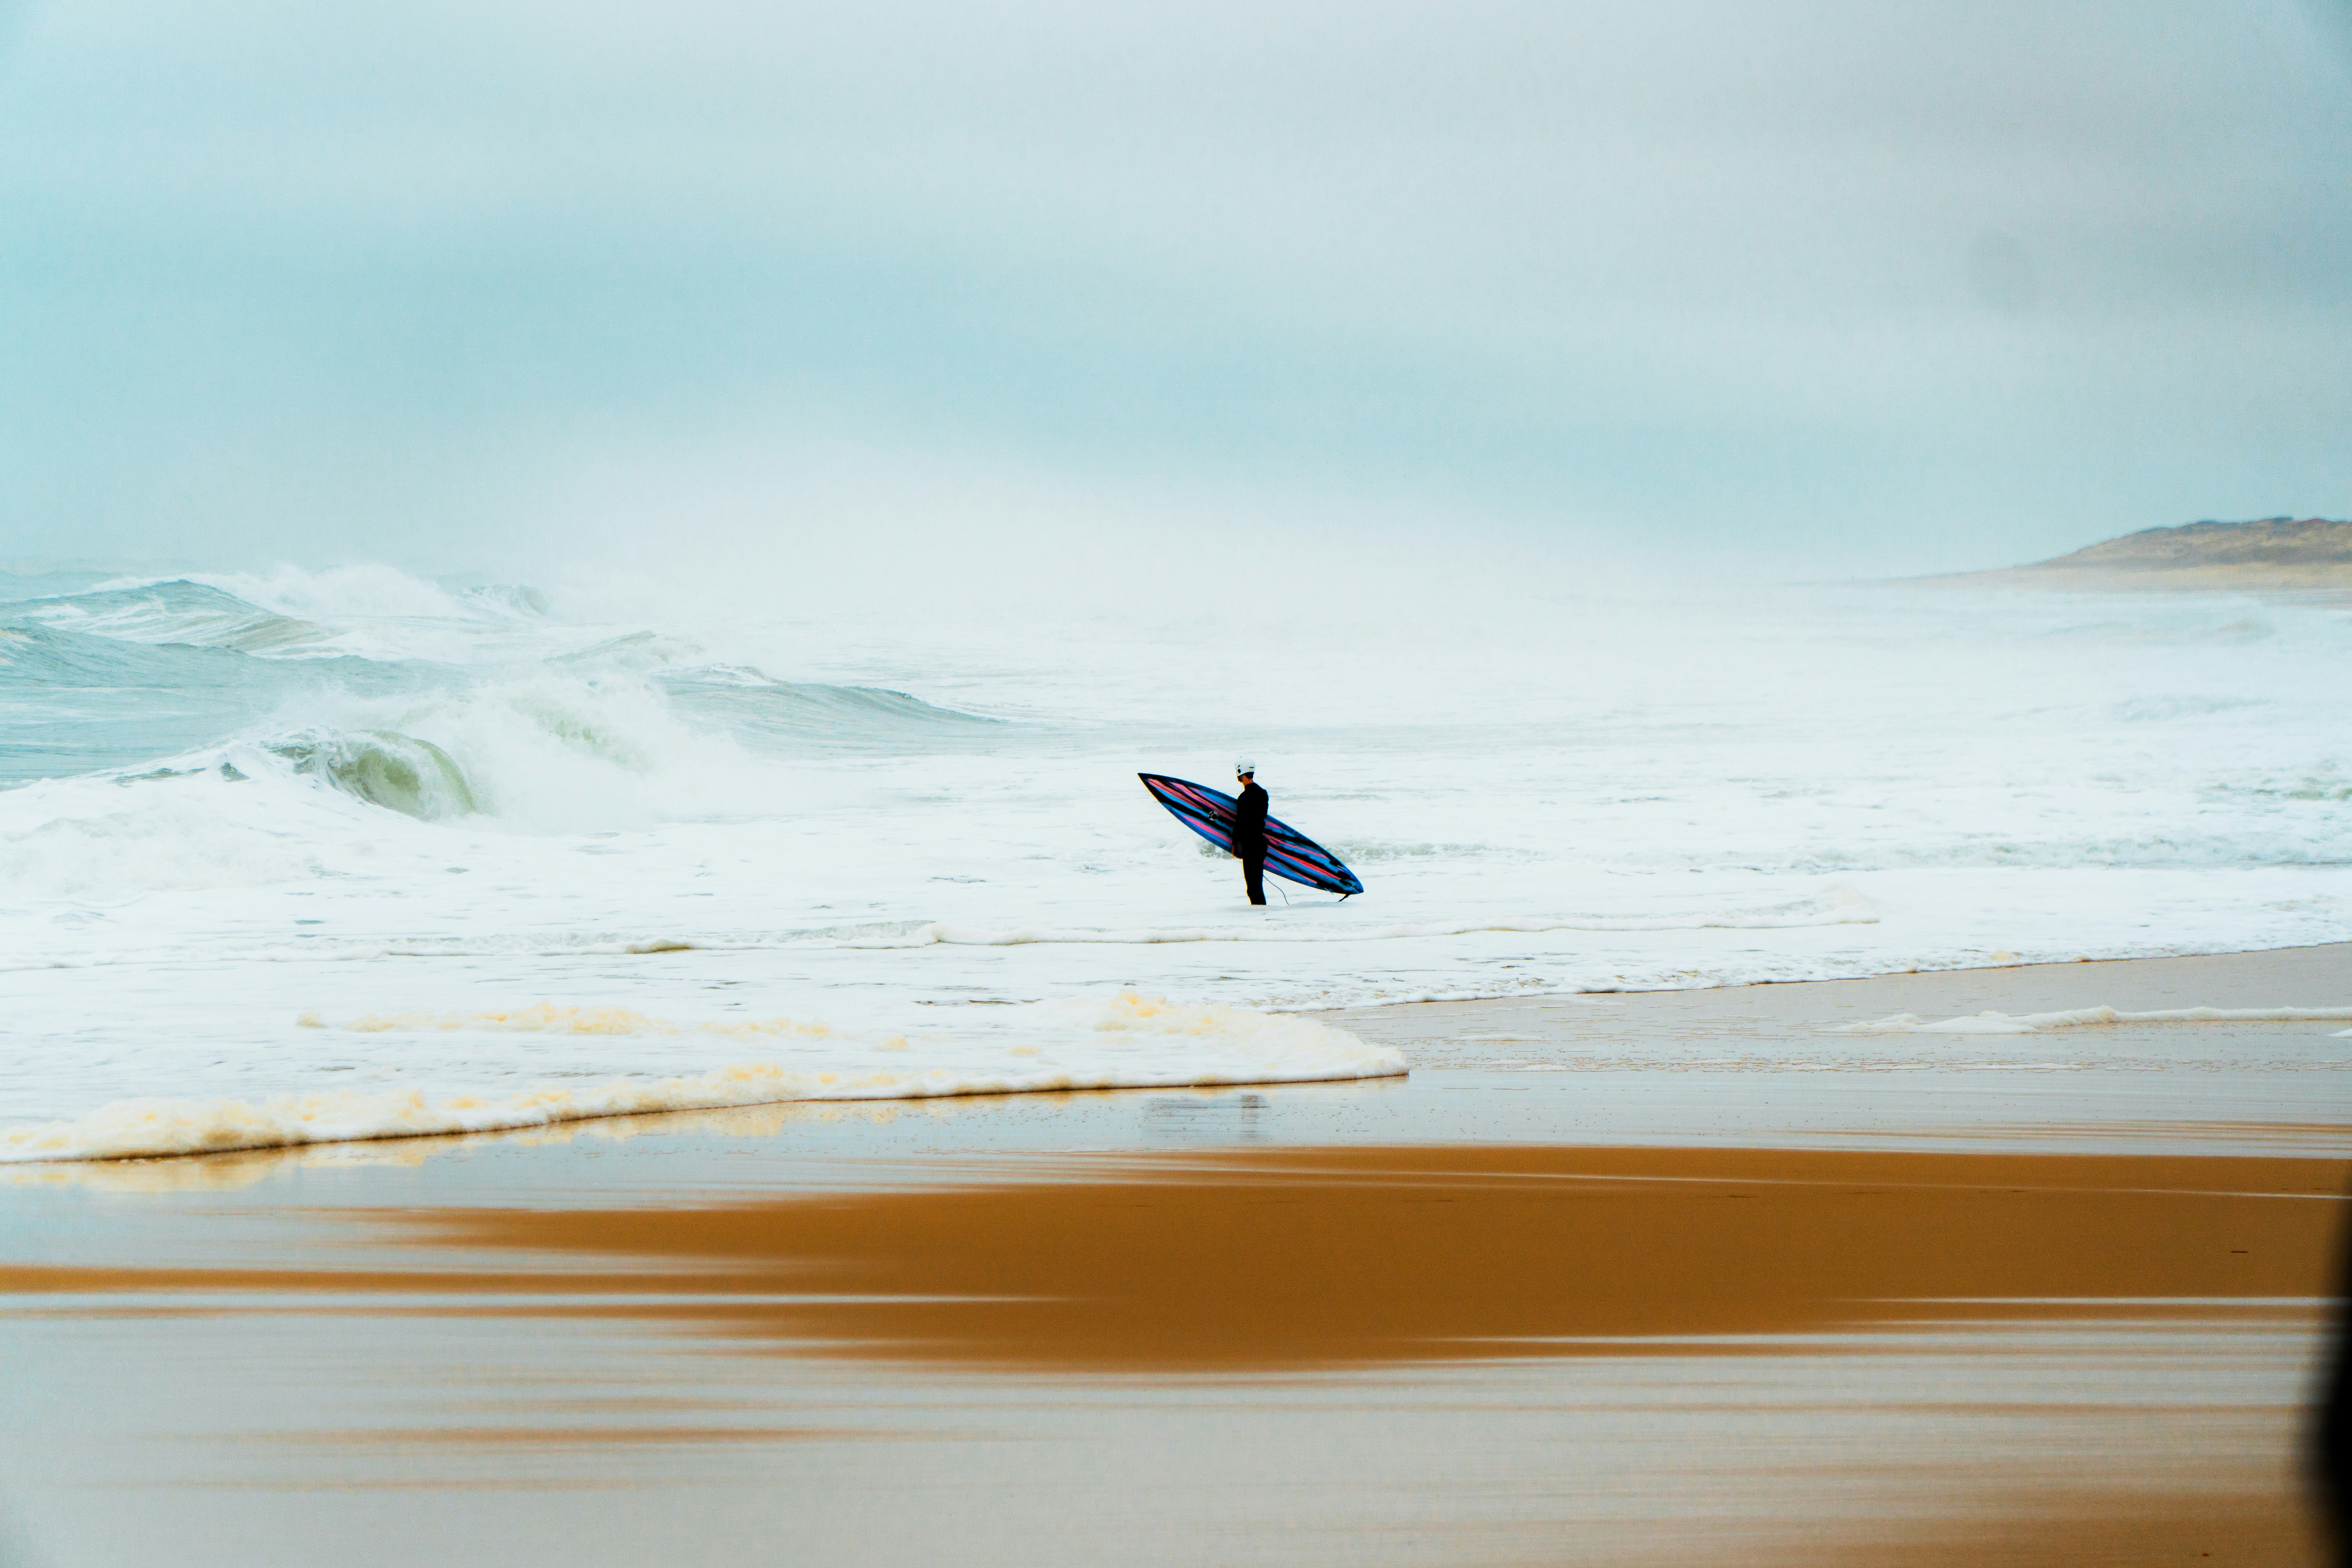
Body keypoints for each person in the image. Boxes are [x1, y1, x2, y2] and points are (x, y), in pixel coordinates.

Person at [1232, 759, 1269, 906]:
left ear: (1240, 773)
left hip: (1250, 846)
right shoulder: (1263, 794)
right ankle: (1263, 915)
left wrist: (1234, 845)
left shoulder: (1244, 798)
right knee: (1257, 885)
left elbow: (1240, 823)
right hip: (1260, 844)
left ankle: (1261, 916)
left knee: (1252, 888)